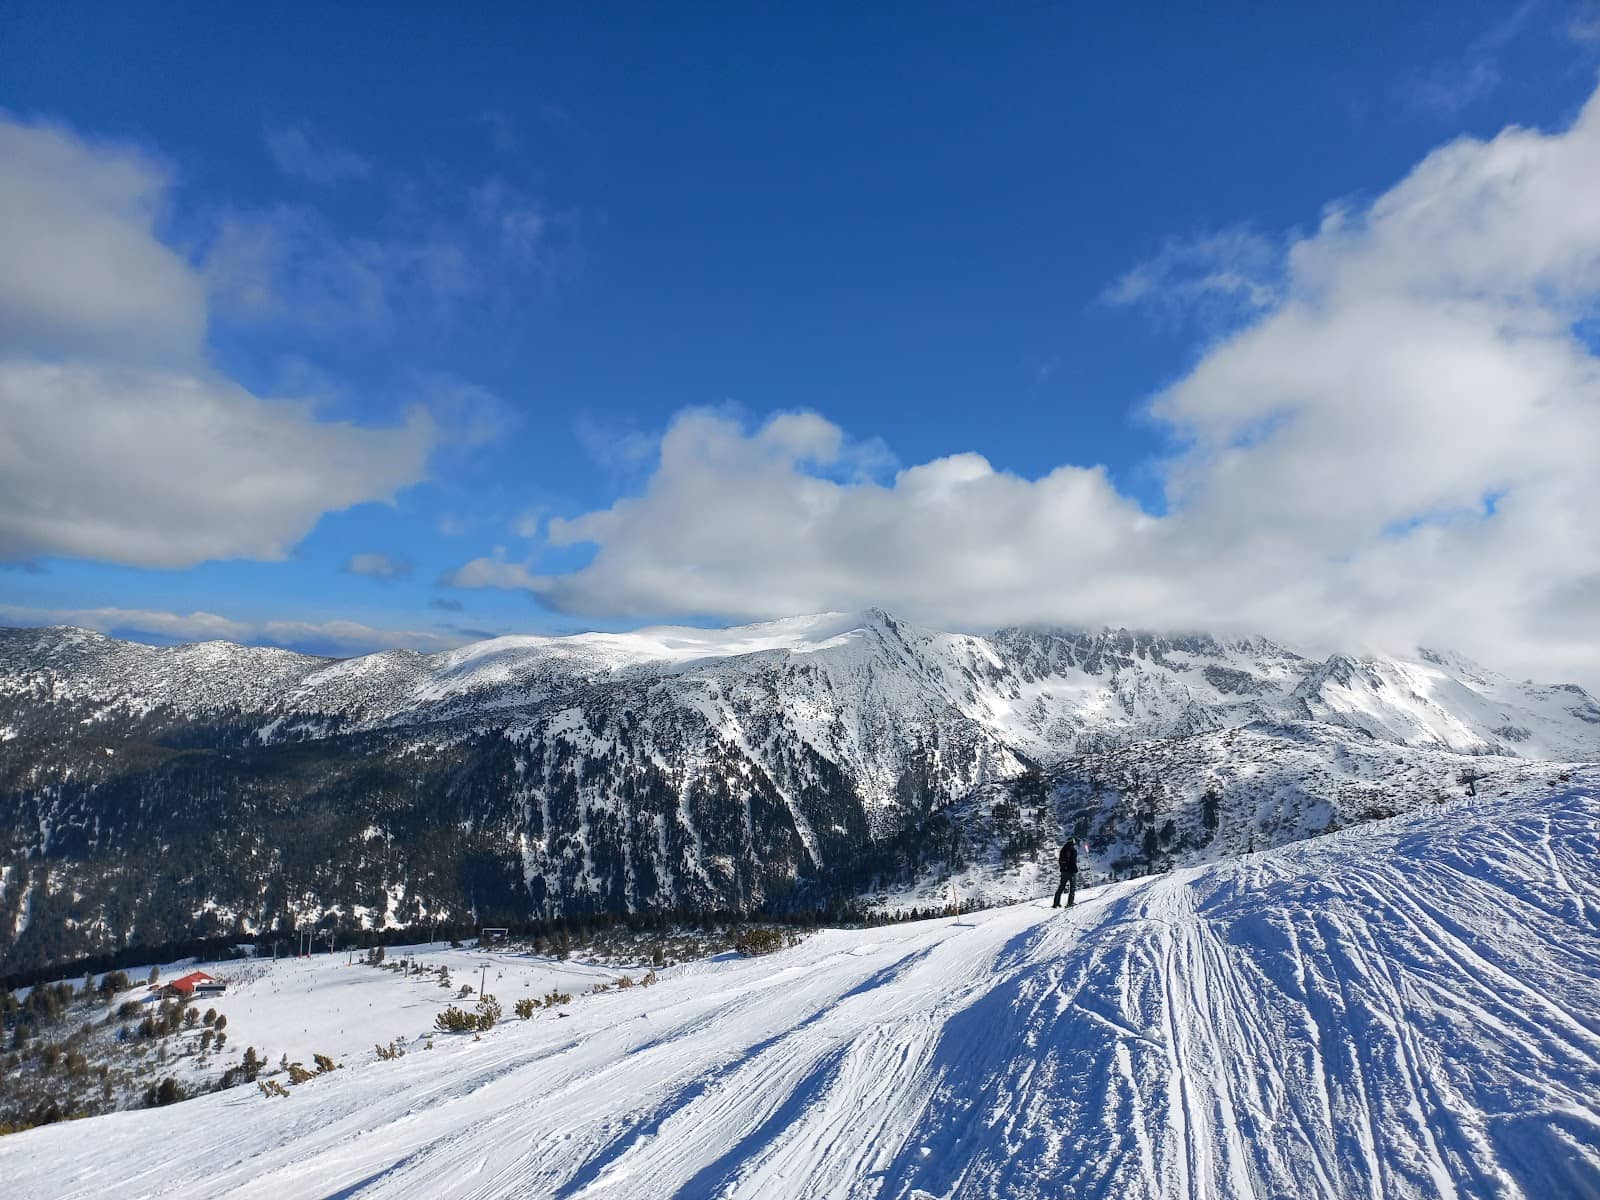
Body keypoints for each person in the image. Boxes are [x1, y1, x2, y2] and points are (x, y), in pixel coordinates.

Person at [1053, 838, 1078, 908]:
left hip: (1063, 871)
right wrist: (1074, 869)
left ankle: (1056, 903)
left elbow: (1060, 860)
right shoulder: (1073, 850)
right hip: (1071, 871)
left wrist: (1064, 867)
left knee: (1061, 887)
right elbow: (1073, 861)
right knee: (1072, 888)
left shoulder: (1063, 849)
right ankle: (1070, 903)